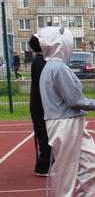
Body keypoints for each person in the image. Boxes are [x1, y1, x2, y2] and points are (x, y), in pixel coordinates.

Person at [37, 26, 95, 197]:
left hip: (72, 121)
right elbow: (73, 98)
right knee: (65, 169)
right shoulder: (56, 67)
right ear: (62, 44)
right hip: (64, 122)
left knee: (94, 162)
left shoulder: (56, 66)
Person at [27, 36, 52, 176]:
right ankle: (44, 166)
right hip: (40, 104)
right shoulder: (39, 61)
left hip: (41, 103)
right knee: (44, 134)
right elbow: (44, 84)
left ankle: (48, 163)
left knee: (46, 133)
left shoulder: (42, 60)